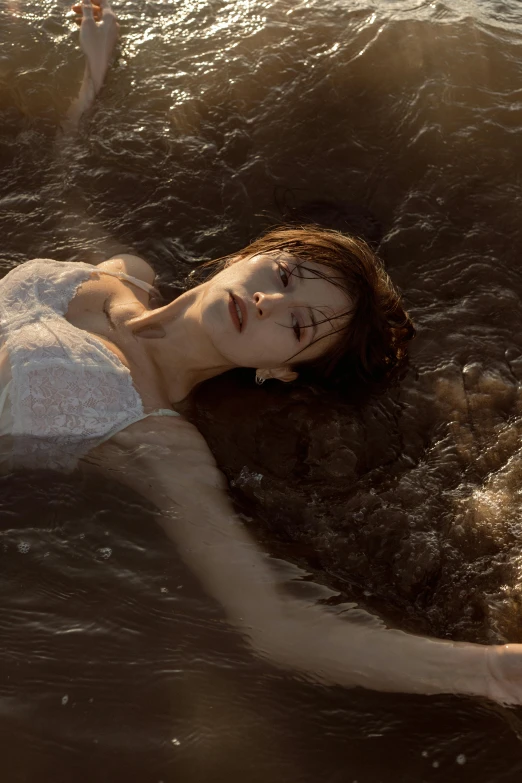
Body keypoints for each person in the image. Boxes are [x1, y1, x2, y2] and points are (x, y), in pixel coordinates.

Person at [2, 0, 522, 705]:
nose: (274, 305)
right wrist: (94, 84)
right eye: (281, 277)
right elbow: (69, 199)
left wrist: (491, 670)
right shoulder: (124, 271)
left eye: (301, 327)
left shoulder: (159, 440)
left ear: (281, 370)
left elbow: (276, 628)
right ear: (249, 257)